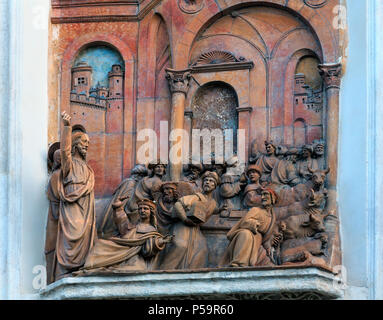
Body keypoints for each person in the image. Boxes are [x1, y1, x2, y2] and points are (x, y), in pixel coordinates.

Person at [55, 111, 97, 279]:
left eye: (88, 142)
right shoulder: (69, 165)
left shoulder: (88, 169)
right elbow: (64, 152)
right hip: (71, 207)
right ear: (76, 144)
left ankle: (82, 268)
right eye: (84, 142)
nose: (87, 145)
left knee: (85, 237)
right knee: (70, 238)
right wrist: (67, 128)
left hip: (86, 207)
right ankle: (66, 271)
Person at [82, 199, 172, 272]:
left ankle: (107, 265)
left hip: (135, 255)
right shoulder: (133, 225)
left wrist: (161, 241)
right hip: (122, 248)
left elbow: (148, 250)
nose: (142, 211)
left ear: (151, 212)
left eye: (145, 209)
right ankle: (92, 265)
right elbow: (122, 222)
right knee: (100, 244)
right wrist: (118, 207)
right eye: (140, 209)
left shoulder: (152, 230)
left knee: (133, 267)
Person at [158, 171, 223, 270]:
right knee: (181, 246)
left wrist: (221, 210)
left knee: (202, 249)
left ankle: (193, 275)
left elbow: (212, 210)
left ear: (215, 186)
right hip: (183, 226)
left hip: (195, 229)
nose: (207, 183)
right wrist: (184, 219)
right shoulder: (196, 197)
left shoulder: (214, 203)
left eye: (211, 181)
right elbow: (178, 204)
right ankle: (163, 270)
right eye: (205, 181)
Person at [220, 188, 280, 267]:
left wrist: (273, 240)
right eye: (262, 195)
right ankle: (239, 263)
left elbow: (268, 236)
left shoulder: (272, 217)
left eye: (265, 194)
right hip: (249, 236)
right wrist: (256, 224)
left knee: (269, 264)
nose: (262, 197)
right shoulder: (256, 210)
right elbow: (245, 222)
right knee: (245, 234)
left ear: (273, 198)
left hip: (259, 242)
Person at [99, 164, 148, 238]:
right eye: (141, 175)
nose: (142, 178)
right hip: (119, 213)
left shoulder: (131, 183)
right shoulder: (130, 183)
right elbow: (125, 201)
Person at [45, 147, 61, 284]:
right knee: (53, 249)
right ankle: (52, 280)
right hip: (56, 219)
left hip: (58, 218)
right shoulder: (57, 176)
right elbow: (58, 198)